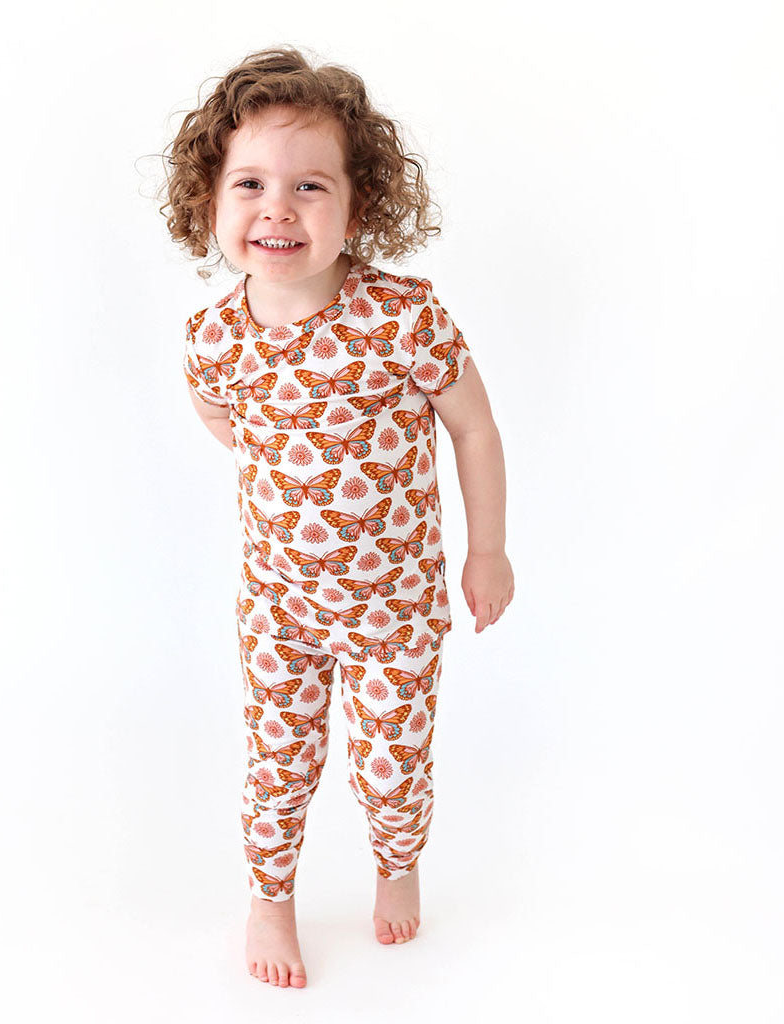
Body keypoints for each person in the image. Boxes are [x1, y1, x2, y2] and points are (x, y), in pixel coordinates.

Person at [159, 45, 514, 988]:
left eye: (309, 185)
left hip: (395, 605)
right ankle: (270, 897)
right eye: (250, 183)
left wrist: (487, 551)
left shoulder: (403, 318)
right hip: (280, 605)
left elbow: (474, 428)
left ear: (360, 208)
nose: (277, 208)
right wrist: (287, 473)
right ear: (209, 203)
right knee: (276, 759)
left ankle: (397, 866)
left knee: (393, 763)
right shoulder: (213, 338)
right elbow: (220, 416)